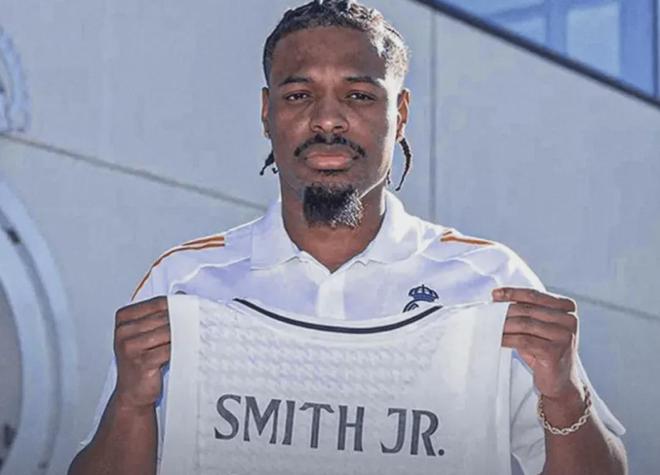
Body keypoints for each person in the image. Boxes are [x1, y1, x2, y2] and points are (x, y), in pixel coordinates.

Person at [68, 1, 627, 474]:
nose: (328, 120)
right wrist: (132, 403)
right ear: (266, 112)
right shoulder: (185, 283)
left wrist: (564, 391)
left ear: (400, 113)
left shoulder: (489, 284)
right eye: (298, 95)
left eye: (358, 95)